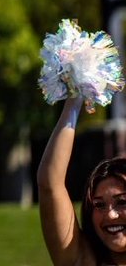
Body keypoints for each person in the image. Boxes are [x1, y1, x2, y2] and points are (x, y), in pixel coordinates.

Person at [39, 95, 126, 265]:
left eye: (122, 202)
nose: (110, 214)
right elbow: (50, 184)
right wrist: (75, 99)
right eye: (99, 205)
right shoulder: (83, 258)